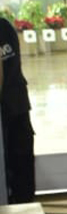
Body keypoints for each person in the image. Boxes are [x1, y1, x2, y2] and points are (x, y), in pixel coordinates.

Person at [0, 17, 34, 203]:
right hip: (17, 105)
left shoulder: (3, 27)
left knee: (18, 167)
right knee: (21, 166)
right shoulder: (5, 26)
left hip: (12, 107)